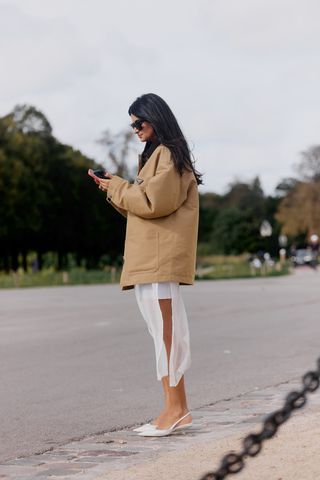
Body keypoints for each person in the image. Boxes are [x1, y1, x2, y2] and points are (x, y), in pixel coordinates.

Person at [95, 93, 202, 437]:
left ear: (155, 118)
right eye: (132, 125)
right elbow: (143, 205)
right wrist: (113, 188)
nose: (135, 130)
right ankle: (178, 409)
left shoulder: (168, 154)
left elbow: (153, 201)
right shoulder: (157, 156)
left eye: (139, 123)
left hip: (159, 261)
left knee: (167, 337)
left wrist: (119, 186)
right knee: (164, 336)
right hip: (152, 260)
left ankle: (175, 409)